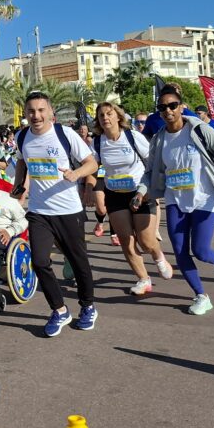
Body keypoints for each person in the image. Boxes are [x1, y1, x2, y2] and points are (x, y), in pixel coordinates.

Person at [136, 86, 214, 315]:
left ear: (181, 107)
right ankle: (201, 296)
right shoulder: (158, 140)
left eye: (172, 105)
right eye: (162, 108)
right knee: (179, 252)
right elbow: (150, 172)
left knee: (200, 249)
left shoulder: (199, 130)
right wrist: (140, 192)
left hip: (205, 198)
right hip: (175, 199)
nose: (168, 111)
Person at [12, 91, 100, 336]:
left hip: (68, 209)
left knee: (77, 261)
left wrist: (76, 174)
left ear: (50, 112)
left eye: (41, 110)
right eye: (31, 111)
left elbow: (92, 163)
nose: (36, 115)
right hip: (39, 210)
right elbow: (22, 161)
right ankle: (59, 310)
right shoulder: (22, 136)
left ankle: (88, 306)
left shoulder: (65, 134)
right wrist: (19, 185)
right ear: (26, 113)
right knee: (39, 261)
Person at [90, 103, 172, 296]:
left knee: (146, 241)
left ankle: (158, 256)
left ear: (118, 117)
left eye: (109, 114)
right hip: (114, 194)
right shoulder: (97, 142)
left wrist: (152, 187)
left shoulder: (132, 137)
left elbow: (152, 161)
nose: (105, 118)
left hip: (139, 192)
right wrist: (93, 191)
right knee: (126, 240)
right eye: (101, 115)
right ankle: (143, 279)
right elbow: (93, 167)